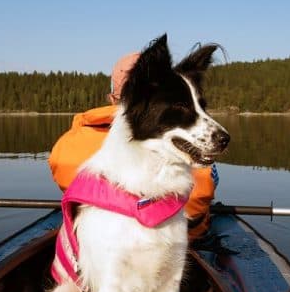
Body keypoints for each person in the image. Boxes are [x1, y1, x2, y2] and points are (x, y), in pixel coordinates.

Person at [48, 52, 218, 240]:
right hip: (186, 236)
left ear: (112, 98)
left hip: (96, 239)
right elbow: (205, 190)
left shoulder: (65, 145)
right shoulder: (191, 147)